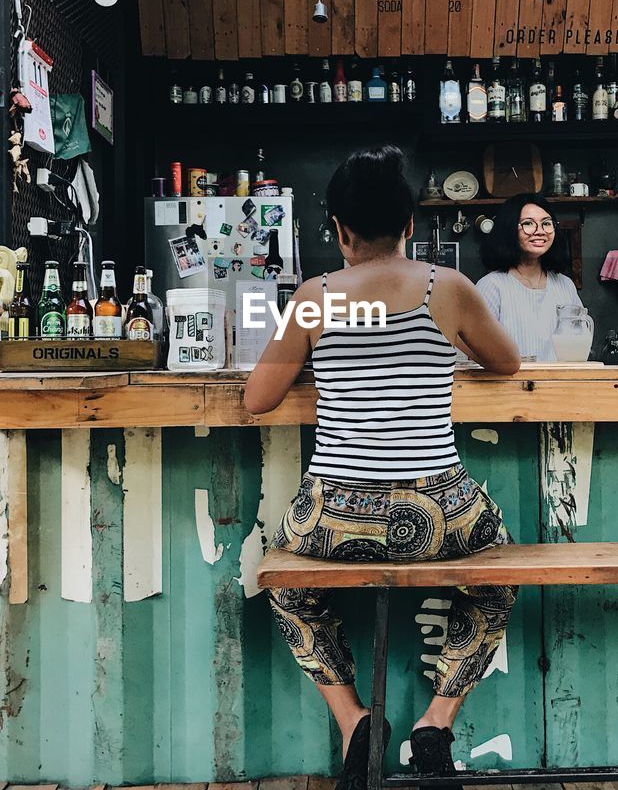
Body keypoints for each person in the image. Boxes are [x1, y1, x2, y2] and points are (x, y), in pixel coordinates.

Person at [244, 146, 520, 790]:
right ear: (410, 225)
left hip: (333, 515)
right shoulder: (446, 289)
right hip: (439, 514)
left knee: (285, 583)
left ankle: (354, 722)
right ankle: (435, 724)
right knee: (498, 574)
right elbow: (505, 362)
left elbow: (257, 400)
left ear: (339, 228)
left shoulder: (314, 299)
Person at [475, 193, 582, 361]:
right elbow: (478, 349)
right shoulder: (491, 286)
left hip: (561, 383)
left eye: (546, 223)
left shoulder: (565, 285)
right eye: (528, 224)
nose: (540, 232)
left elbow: (579, 342)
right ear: (509, 229)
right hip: (509, 385)